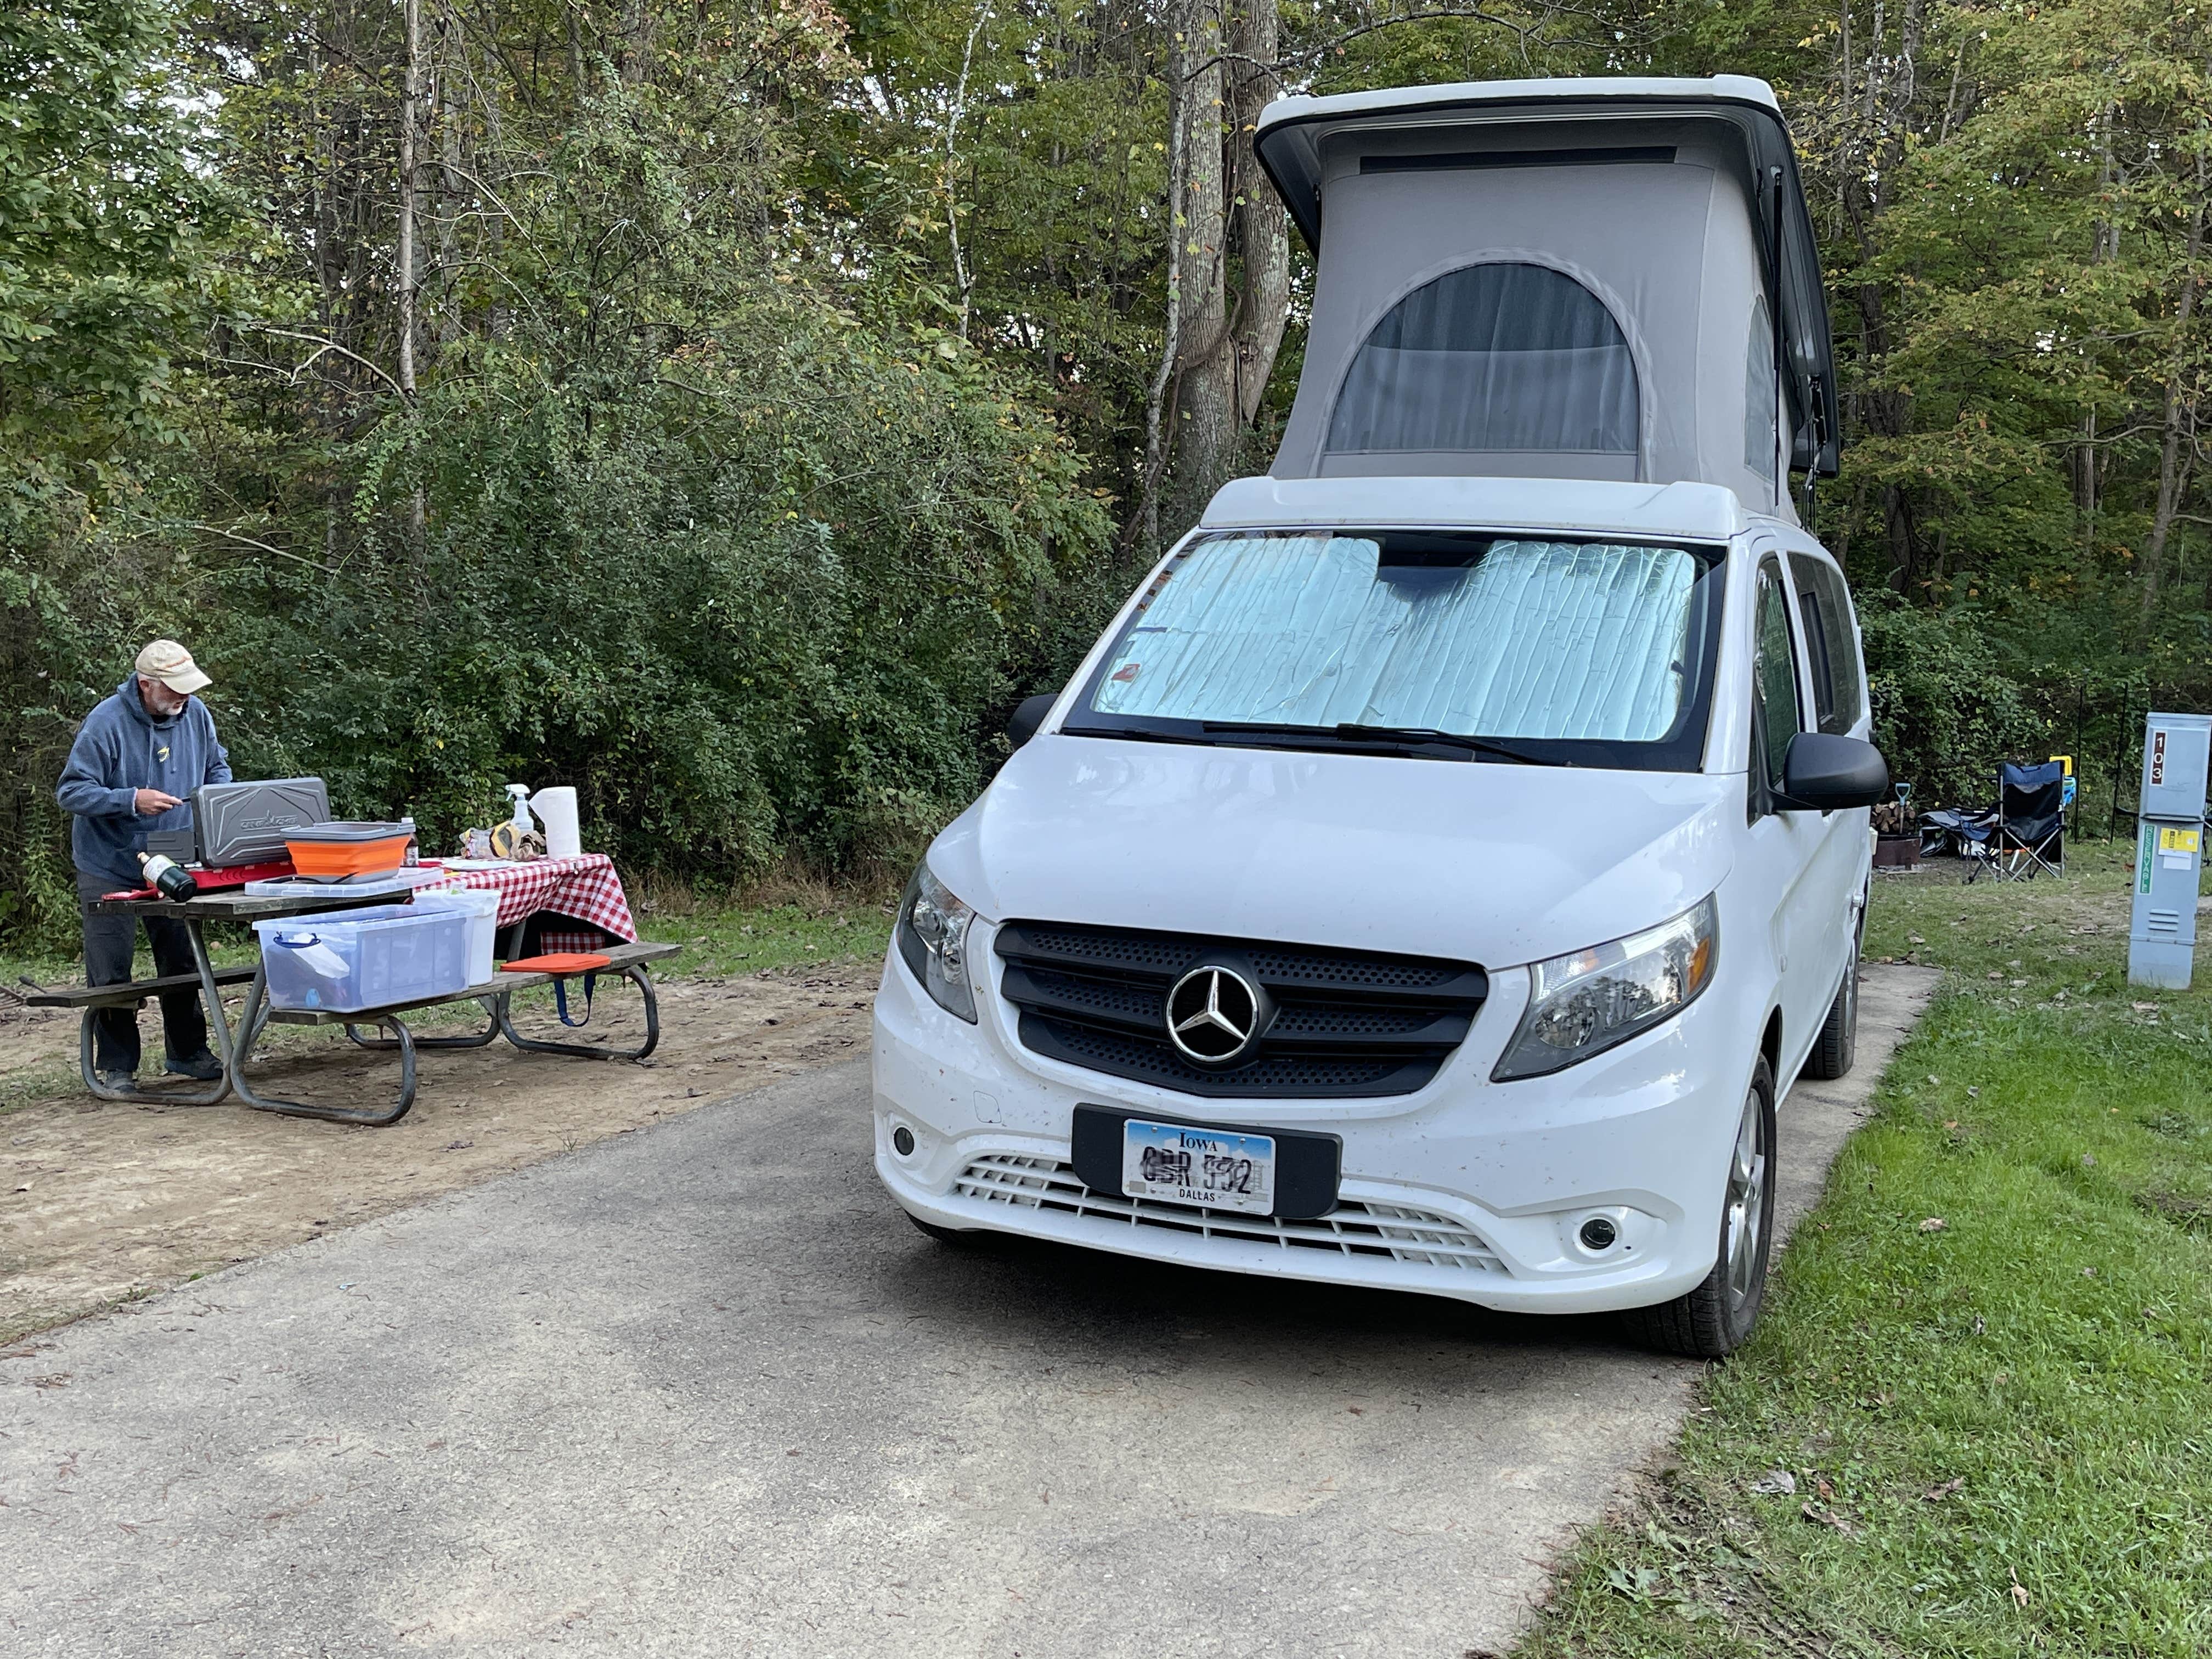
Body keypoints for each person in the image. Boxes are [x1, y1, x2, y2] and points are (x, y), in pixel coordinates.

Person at [55, 641, 233, 1087]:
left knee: (182, 958)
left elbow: (219, 769)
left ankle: (189, 1053)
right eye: (174, 689)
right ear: (146, 684)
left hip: (175, 858)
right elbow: (71, 792)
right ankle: (117, 1067)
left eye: (188, 689)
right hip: (109, 862)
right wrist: (131, 799)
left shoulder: (196, 714)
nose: (183, 698)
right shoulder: (105, 722)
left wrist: (213, 805)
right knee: (111, 968)